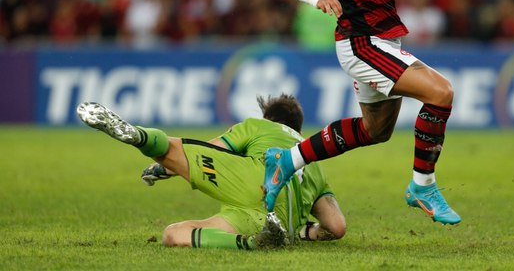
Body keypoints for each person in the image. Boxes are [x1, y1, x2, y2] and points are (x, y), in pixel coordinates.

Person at [265, 0, 461, 225]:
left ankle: (287, 160)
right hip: (361, 42)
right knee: (441, 93)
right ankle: (423, 186)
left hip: (387, 36)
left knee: (375, 131)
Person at [76, 94, 346, 250]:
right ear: (298, 129)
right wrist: (302, 231)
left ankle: (140, 137)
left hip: (252, 180)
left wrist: (166, 167)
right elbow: (336, 226)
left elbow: (211, 149)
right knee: (174, 234)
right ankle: (254, 242)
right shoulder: (315, 161)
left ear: (270, 119)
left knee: (173, 151)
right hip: (272, 219)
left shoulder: (258, 126)